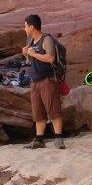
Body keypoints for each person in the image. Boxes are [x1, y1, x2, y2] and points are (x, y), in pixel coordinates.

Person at [21, 14, 64, 149]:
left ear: (32, 26)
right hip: (35, 81)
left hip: (48, 80)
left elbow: (50, 58)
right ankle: (39, 140)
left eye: (25, 26)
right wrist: (26, 53)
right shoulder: (31, 41)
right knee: (38, 112)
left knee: (53, 109)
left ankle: (58, 138)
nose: (24, 29)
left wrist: (33, 54)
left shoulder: (46, 39)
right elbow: (31, 60)